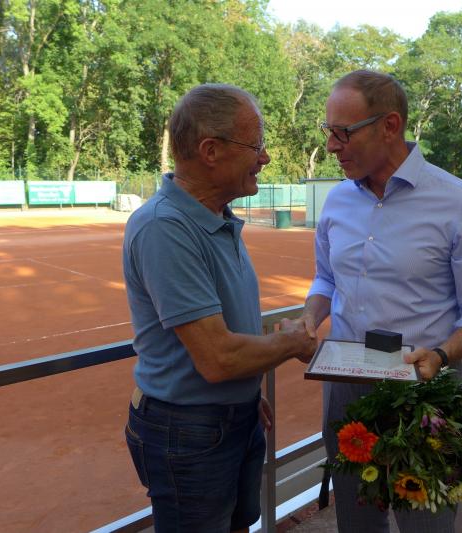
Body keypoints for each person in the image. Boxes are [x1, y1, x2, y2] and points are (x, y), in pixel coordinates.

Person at [301, 70, 462, 532]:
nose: (331, 145)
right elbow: (326, 277)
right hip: (346, 386)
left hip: (424, 390)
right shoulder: (336, 201)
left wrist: (441, 355)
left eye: (343, 132)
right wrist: (310, 315)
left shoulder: (458, 203)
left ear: (389, 126)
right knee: (356, 520)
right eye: (328, 131)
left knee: (425, 523)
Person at [122, 83, 317, 533]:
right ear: (210, 151)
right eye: (256, 145)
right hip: (189, 432)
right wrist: (291, 342)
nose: (265, 157)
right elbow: (217, 359)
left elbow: (226, 342)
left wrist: (243, 397)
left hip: (230, 418)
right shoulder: (165, 228)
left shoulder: (216, 218)